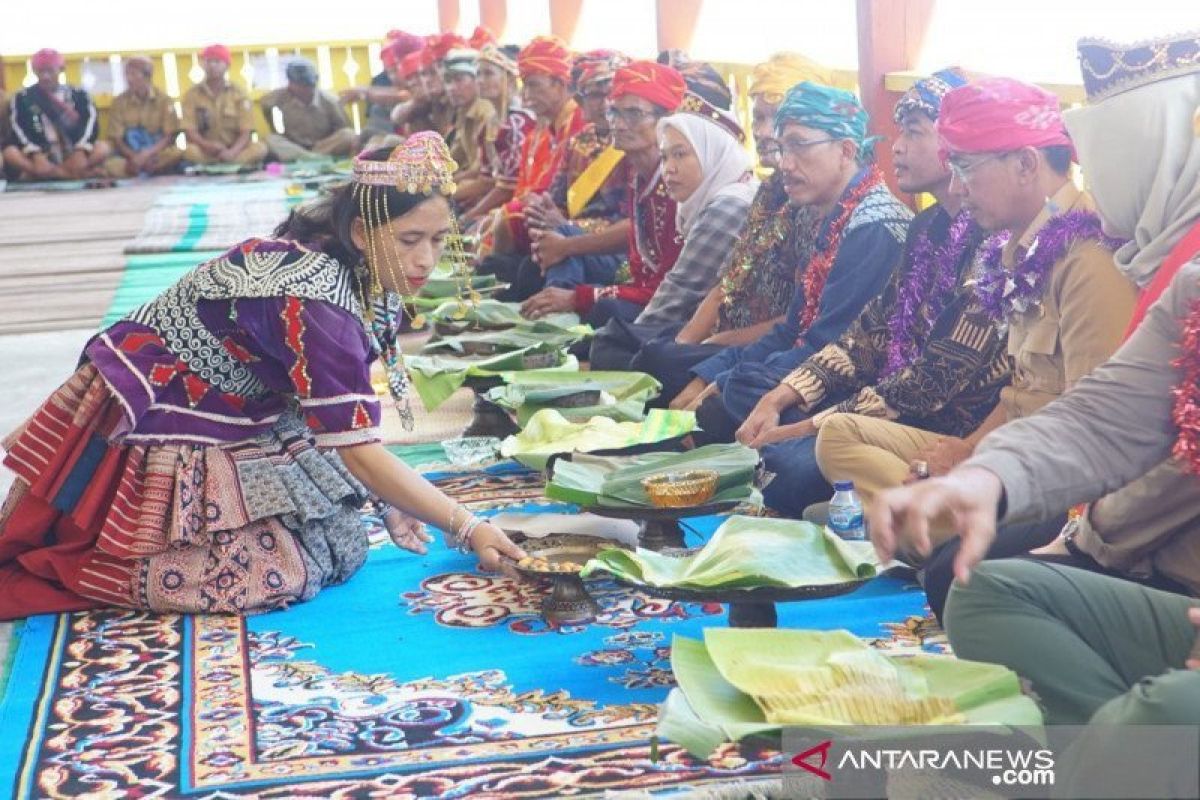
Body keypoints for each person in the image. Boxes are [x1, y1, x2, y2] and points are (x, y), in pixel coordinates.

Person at [0, 133, 526, 619]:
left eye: (438, 240)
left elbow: (336, 417)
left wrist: (393, 501)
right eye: (410, 239)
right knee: (272, 575)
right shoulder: (319, 301)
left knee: (339, 539)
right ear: (363, 232)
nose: (426, 259)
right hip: (162, 406)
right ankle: (94, 559)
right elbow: (358, 449)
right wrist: (465, 524)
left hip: (240, 402)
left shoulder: (362, 271)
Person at [913, 35, 1200, 619]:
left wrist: (1082, 539)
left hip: (1158, 550)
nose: (1097, 176)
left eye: (1108, 151)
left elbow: (1171, 462)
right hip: (1116, 514)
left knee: (978, 593)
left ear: (1160, 150)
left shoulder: (1098, 256)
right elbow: (1107, 411)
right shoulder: (1170, 261)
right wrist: (989, 471)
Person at [815, 78, 1137, 556]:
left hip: (1044, 484)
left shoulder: (1088, 258)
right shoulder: (1018, 248)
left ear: (1026, 163)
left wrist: (985, 470)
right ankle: (916, 521)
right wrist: (967, 449)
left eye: (965, 167)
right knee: (837, 436)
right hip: (1002, 455)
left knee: (949, 577)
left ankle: (915, 523)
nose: (958, 188)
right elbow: (1021, 393)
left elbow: (1091, 425)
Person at [724, 68, 1007, 518]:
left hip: (947, 432)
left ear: (957, 143)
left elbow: (929, 382)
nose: (895, 146)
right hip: (888, 412)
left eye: (913, 132)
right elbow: (867, 334)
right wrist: (780, 397)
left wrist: (805, 426)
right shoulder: (927, 228)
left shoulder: (996, 244)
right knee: (754, 405)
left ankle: (908, 516)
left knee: (794, 462)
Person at [676, 82, 912, 441]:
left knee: (728, 402)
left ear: (846, 150)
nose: (785, 164)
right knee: (683, 371)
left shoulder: (874, 226)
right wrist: (712, 374)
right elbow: (791, 328)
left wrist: (726, 382)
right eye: (783, 148)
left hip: (845, 385)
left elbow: (828, 347)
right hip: (806, 368)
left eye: (799, 146)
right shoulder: (831, 215)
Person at [629, 52, 832, 402]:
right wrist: (687, 343)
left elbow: (798, 322)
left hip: (771, 351)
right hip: (731, 338)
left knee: (653, 362)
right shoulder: (770, 191)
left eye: (781, 121)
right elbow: (728, 281)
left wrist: (713, 348)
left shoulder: (818, 203)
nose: (767, 132)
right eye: (760, 118)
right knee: (650, 354)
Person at [586, 94, 758, 370]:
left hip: (729, 336)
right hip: (699, 326)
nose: (669, 169)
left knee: (612, 341)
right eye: (665, 157)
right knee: (609, 334)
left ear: (711, 152)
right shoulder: (714, 196)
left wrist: (632, 335)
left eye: (681, 154)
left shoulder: (729, 205)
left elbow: (682, 288)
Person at [520, 60, 686, 328]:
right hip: (633, 273)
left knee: (607, 309)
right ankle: (556, 319)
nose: (619, 125)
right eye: (615, 113)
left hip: (661, 297)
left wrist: (578, 297)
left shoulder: (676, 180)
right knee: (550, 244)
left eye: (633, 114)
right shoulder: (639, 173)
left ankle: (558, 316)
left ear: (665, 120)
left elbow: (660, 286)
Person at [481, 49, 630, 296]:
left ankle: (555, 299)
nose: (606, 104)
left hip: (615, 246)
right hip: (570, 232)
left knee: (544, 252)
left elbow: (634, 224)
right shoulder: (579, 141)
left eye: (612, 94)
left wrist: (564, 227)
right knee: (524, 253)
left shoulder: (634, 144)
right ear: (581, 102)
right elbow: (555, 198)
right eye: (595, 96)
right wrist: (543, 211)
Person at [482, 37, 584, 249]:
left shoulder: (577, 120)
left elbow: (552, 191)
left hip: (575, 215)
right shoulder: (549, 127)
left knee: (508, 217)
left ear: (559, 84)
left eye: (534, 86)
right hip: (553, 209)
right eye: (525, 87)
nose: (527, 96)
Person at [2, 48, 110, 181]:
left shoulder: (79, 94)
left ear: (61, 69)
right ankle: (73, 174)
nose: (45, 76)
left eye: (50, 71)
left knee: (103, 148)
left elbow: (91, 124)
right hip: (41, 154)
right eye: (41, 71)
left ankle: (49, 174)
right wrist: (35, 153)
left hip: (74, 150)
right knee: (10, 153)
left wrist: (81, 149)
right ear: (34, 72)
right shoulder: (22, 97)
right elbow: (18, 128)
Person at [457, 44, 534, 221]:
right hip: (497, 204)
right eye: (478, 74)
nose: (481, 80)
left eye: (488, 73)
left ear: (509, 77)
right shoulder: (491, 122)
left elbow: (507, 188)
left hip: (519, 206)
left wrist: (469, 215)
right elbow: (487, 178)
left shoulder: (519, 122)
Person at [181, 44, 268, 168]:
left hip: (235, 151)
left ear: (227, 65)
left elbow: (246, 131)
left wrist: (232, 152)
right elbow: (190, 130)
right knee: (189, 151)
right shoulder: (192, 95)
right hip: (206, 152)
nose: (212, 66)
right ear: (202, 65)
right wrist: (207, 146)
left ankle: (222, 166)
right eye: (208, 61)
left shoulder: (239, 93)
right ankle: (228, 167)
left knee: (260, 148)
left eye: (217, 62)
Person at [261, 59, 357, 162]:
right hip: (295, 146)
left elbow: (343, 128)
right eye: (301, 85)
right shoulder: (280, 96)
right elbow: (265, 105)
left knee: (349, 134)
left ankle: (309, 158)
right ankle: (311, 158)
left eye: (309, 85)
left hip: (323, 146)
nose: (307, 89)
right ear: (290, 84)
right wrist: (274, 128)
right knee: (271, 139)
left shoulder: (330, 100)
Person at [103, 56, 183, 177]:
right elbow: (117, 139)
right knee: (111, 164)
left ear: (147, 76)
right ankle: (145, 169)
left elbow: (169, 137)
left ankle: (147, 168)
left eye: (133, 74)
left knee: (177, 153)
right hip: (130, 156)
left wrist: (146, 155)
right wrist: (134, 157)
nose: (128, 79)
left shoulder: (164, 101)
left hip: (156, 154)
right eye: (127, 74)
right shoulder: (119, 102)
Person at [342, 30, 422, 145]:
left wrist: (364, 93)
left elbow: (402, 96)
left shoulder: (423, 85)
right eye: (391, 71)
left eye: (396, 69)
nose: (393, 76)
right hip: (388, 134)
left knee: (386, 141)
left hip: (421, 147)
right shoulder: (380, 79)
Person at [441, 48, 495, 181]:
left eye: (459, 80)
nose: (452, 88)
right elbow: (452, 157)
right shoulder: (464, 111)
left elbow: (480, 169)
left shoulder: (485, 110)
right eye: (448, 81)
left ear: (477, 81)